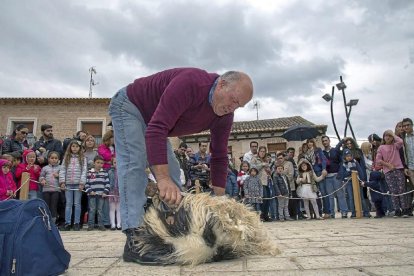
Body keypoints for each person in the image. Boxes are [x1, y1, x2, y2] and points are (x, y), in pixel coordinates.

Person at [108, 68, 253, 264]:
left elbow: (219, 155)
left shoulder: (225, 115)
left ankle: (171, 233)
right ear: (221, 84)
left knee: (174, 173)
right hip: (130, 106)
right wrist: (162, 179)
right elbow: (157, 129)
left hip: (154, 122)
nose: (233, 108)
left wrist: (220, 200)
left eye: (239, 106)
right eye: (234, 100)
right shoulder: (191, 83)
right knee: (134, 164)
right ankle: (135, 241)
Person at [376, 130, 410, 218]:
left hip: (398, 169)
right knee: (393, 191)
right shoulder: (381, 147)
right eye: (386, 136)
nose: (387, 137)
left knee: (401, 189)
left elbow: (401, 141)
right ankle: (397, 209)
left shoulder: (396, 146)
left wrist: (393, 134)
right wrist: (388, 165)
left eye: (389, 136)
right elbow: (378, 160)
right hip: (388, 171)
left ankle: (405, 209)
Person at [59, 140, 87, 231]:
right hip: (68, 184)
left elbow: (84, 171)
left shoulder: (83, 158)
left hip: (78, 184)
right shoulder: (66, 158)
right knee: (68, 204)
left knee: (77, 204)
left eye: (77, 146)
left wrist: (82, 183)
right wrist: (62, 182)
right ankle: (67, 223)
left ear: (80, 148)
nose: (75, 148)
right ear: (70, 147)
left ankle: (76, 223)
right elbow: (62, 170)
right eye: (73, 146)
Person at [321, 136, 348, 219]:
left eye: (326, 140)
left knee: (340, 195)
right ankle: (332, 213)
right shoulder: (322, 153)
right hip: (327, 177)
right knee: (330, 196)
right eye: (323, 141)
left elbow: (341, 162)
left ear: (329, 141)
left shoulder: (335, 151)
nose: (325, 142)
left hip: (336, 175)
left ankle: (344, 212)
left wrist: (340, 173)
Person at [337, 149, 366, 218]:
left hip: (357, 181)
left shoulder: (355, 162)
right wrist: (350, 171)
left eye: (350, 156)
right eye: (347, 156)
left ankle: (366, 212)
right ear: (344, 157)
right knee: (351, 197)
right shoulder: (343, 164)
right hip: (349, 182)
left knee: (361, 197)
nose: (349, 157)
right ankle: (353, 212)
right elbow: (342, 174)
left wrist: (362, 180)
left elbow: (360, 171)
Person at [85, 155, 110, 231]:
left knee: (100, 210)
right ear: (94, 163)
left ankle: (101, 225)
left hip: (101, 195)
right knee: (92, 210)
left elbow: (107, 184)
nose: (99, 164)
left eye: (101, 163)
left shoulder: (104, 172)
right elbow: (86, 184)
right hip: (92, 195)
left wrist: (105, 192)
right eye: (98, 162)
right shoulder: (89, 172)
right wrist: (90, 191)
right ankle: (90, 225)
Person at [39, 151, 61, 224]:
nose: (54, 159)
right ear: (48, 159)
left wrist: (58, 176)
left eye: (55, 158)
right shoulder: (45, 168)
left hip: (56, 190)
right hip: (46, 190)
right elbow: (41, 176)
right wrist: (42, 180)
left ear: (58, 159)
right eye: (52, 158)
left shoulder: (60, 168)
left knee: (54, 206)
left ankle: (53, 222)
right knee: (46, 206)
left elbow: (63, 178)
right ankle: (46, 221)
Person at [251, 146, 272, 221]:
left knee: (267, 199)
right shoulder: (254, 159)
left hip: (267, 181)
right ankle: (261, 216)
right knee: (262, 198)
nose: (262, 153)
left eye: (264, 151)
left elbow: (269, 171)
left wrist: (269, 170)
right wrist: (262, 165)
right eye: (261, 151)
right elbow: (253, 169)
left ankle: (266, 215)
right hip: (259, 181)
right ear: (258, 152)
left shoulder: (266, 160)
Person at [108, 157, 121, 230]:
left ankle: (119, 224)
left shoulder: (122, 172)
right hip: (112, 191)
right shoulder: (110, 171)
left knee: (119, 209)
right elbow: (108, 181)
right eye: (115, 163)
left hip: (120, 192)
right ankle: (112, 224)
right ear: (112, 163)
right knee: (112, 209)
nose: (116, 164)